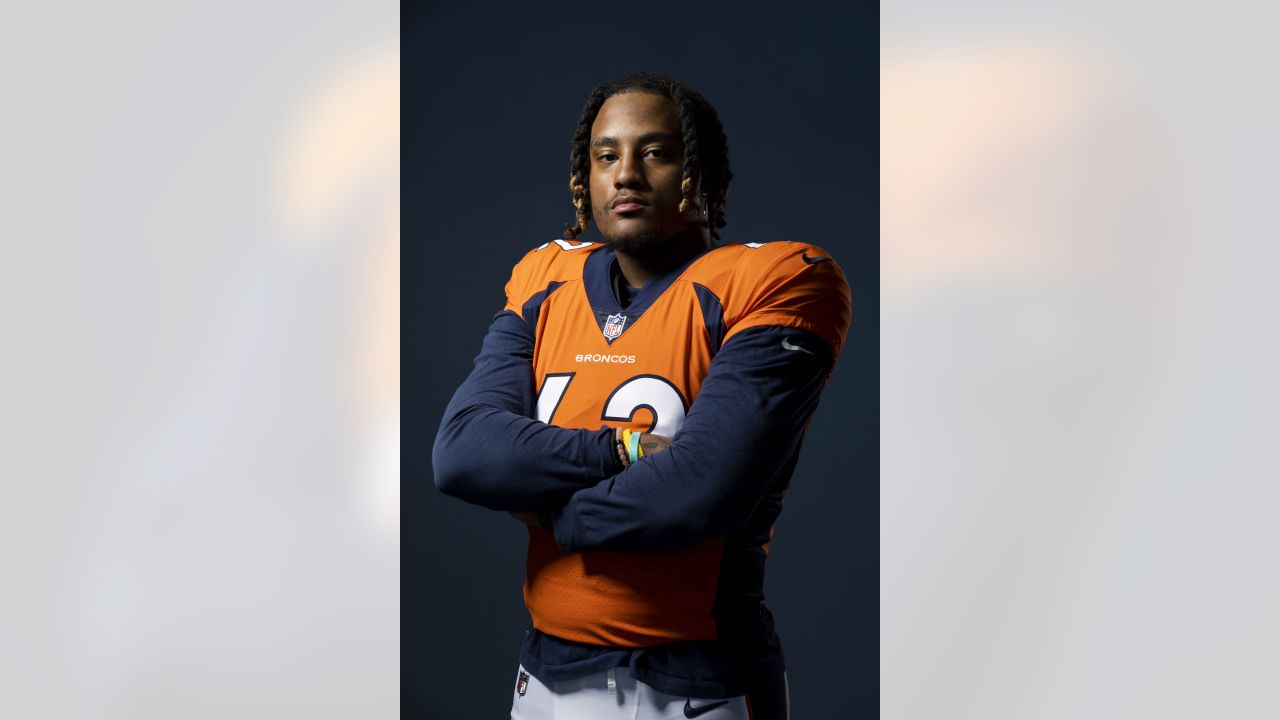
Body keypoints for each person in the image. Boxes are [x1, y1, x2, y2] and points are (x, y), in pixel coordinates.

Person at [433, 71, 850, 720]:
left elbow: (700, 491)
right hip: (541, 674)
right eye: (606, 156)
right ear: (585, 175)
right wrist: (623, 449)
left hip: (697, 685)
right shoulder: (546, 278)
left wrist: (550, 514)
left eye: (655, 153)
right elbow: (462, 453)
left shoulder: (775, 281)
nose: (625, 173)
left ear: (702, 173)